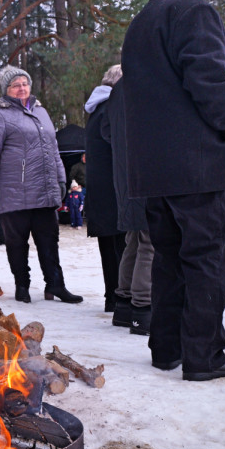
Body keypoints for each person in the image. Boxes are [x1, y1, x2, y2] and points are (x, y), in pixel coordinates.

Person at [122, 0, 225, 381]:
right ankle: (204, 356)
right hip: (200, 167)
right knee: (209, 260)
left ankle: (167, 347)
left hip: (156, 170)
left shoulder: (140, 23)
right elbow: (211, 83)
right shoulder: (194, 12)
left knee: (170, 257)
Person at [0, 65, 81, 304]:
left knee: (49, 240)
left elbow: (53, 150)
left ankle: (55, 285)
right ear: (7, 90)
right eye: (16, 85)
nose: (22, 88)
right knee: (17, 242)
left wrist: (60, 178)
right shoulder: (0, 114)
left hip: (44, 190)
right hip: (14, 191)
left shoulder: (41, 112)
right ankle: (22, 285)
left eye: (25, 83)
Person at [104, 74, 155, 336]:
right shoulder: (147, 82)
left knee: (134, 240)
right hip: (148, 173)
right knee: (148, 241)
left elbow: (106, 130)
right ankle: (142, 309)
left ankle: (124, 306)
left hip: (125, 176)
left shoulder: (118, 90)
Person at [83, 66, 127, 313]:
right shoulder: (111, 108)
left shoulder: (98, 109)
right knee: (121, 249)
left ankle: (112, 297)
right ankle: (119, 299)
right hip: (114, 191)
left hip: (101, 192)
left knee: (110, 250)